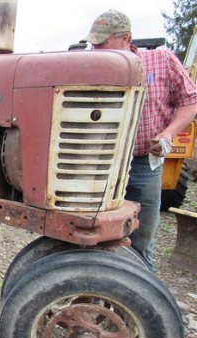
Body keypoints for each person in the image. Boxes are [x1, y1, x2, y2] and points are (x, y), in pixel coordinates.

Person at [82, 10, 197, 271]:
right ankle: (95, 292)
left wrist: (168, 133)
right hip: (98, 167)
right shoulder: (90, 69)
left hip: (143, 164)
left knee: (140, 238)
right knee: (90, 236)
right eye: (93, 43)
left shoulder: (161, 61)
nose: (95, 49)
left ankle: (137, 288)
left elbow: (190, 101)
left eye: (101, 43)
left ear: (125, 38)